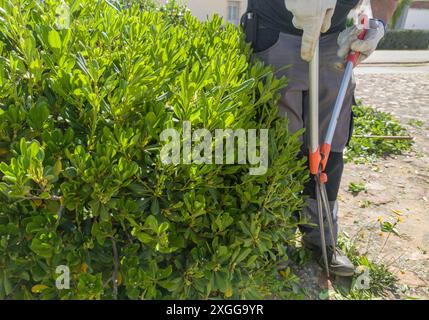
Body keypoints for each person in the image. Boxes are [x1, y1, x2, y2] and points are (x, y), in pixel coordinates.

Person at [241, 0, 398, 276]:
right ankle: (272, 237)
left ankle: (321, 238)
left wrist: (379, 23)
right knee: (277, 141)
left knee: (330, 143)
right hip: (275, 31)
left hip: (334, 36)